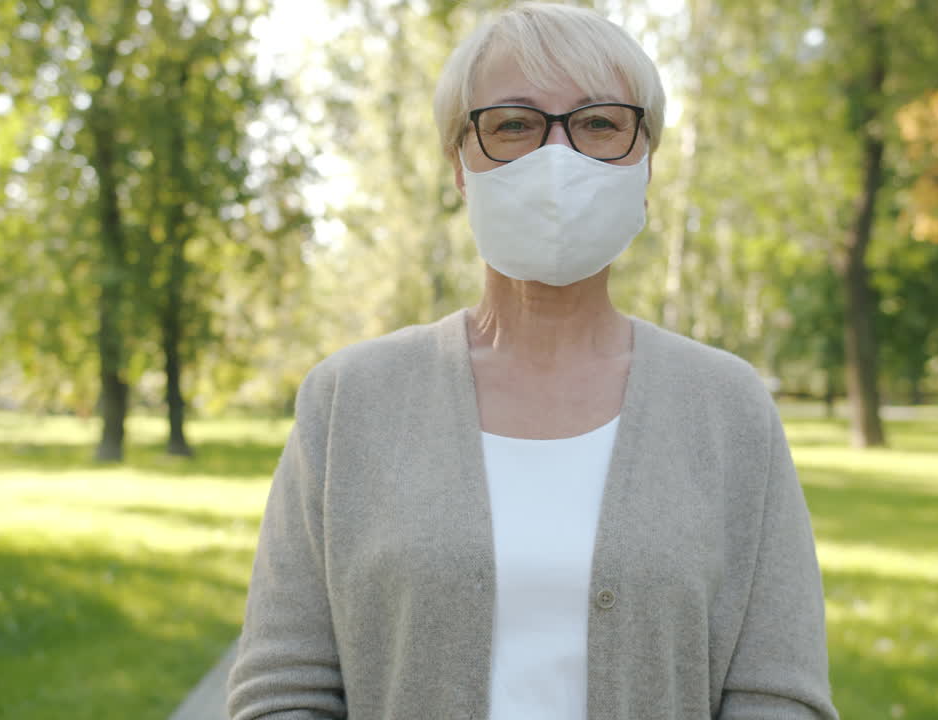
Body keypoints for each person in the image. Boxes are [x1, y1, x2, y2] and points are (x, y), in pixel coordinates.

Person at [226, 3, 838, 719]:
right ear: (459, 163)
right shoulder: (349, 401)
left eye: (599, 123)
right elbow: (282, 688)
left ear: (645, 163)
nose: (557, 158)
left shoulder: (728, 408)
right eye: (513, 123)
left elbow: (779, 693)